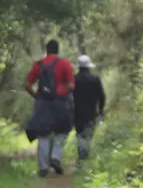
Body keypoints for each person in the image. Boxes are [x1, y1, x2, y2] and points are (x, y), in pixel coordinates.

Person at [24, 39, 75, 177]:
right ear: (57, 50)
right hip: (60, 103)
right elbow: (71, 85)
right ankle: (56, 157)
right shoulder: (64, 64)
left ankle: (43, 167)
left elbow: (27, 85)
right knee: (62, 131)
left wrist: (37, 96)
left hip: (43, 104)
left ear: (46, 50)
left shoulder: (38, 65)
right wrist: (62, 92)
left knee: (43, 133)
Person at [73, 55, 106, 161]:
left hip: (77, 112)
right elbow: (102, 96)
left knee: (79, 134)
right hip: (91, 111)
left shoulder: (74, 79)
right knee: (88, 133)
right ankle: (84, 156)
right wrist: (100, 109)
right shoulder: (95, 79)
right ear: (88, 66)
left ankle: (82, 156)